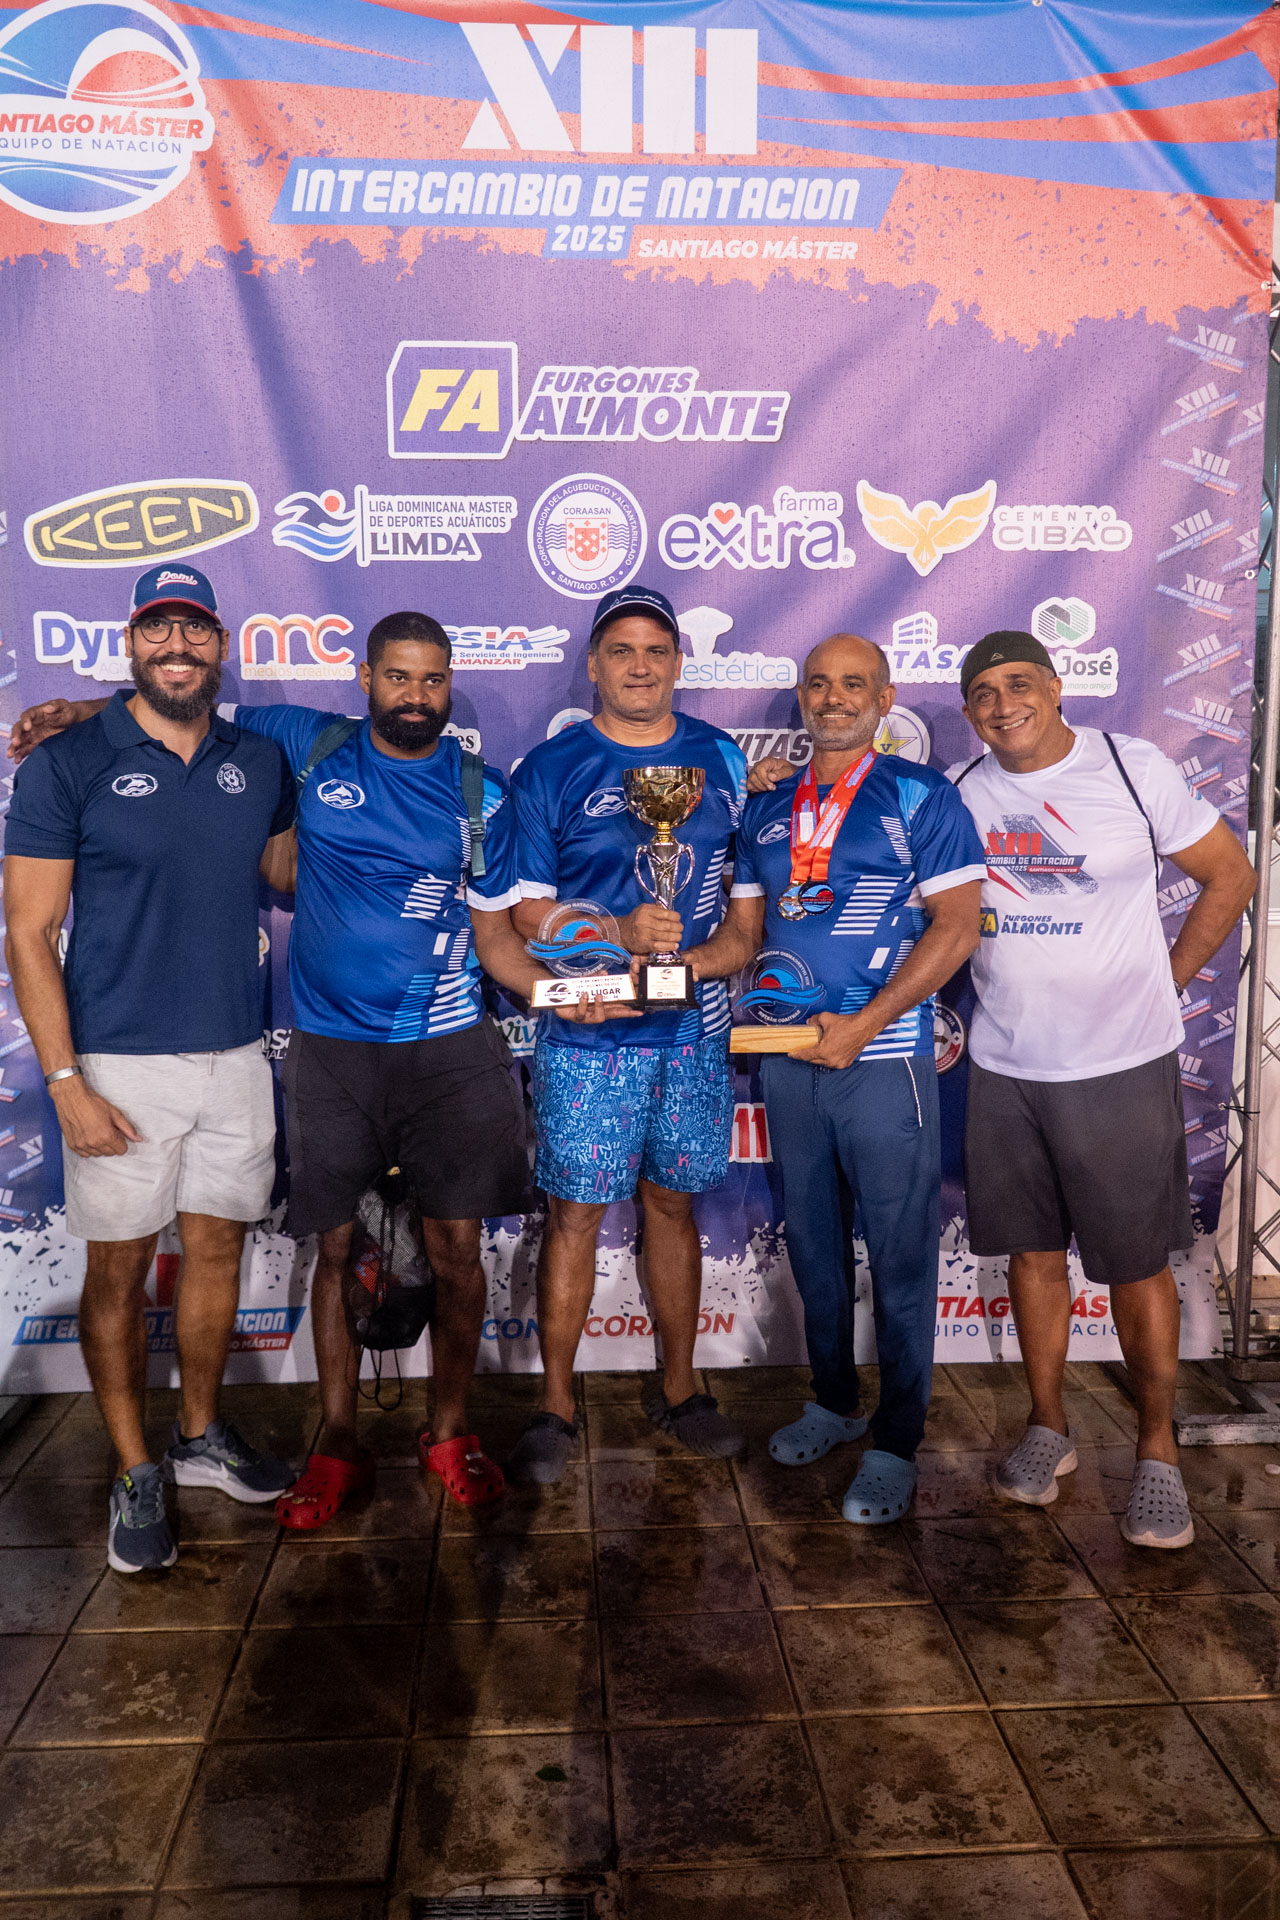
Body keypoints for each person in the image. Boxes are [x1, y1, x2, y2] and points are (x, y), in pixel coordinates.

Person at [12, 610, 571, 1527]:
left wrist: (568, 995)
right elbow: (174, 704)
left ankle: (449, 1430)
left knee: (456, 1252)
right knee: (337, 1251)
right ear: (366, 677)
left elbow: (499, 942)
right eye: (399, 676)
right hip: (330, 1048)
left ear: (450, 686)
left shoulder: (482, 789)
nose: (416, 696)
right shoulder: (306, 740)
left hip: (450, 1047)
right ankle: (337, 1441)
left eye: (433, 680)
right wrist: (76, 710)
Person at [4, 564, 298, 1573]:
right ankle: (134, 1469)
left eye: (195, 630)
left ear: (221, 646)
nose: (178, 646)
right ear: (131, 642)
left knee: (215, 1254)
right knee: (120, 1271)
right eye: (159, 629)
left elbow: (286, 871)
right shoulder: (66, 762)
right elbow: (29, 932)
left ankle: (198, 1436)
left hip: (237, 1054)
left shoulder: (258, 759)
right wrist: (65, 1082)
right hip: (116, 1065)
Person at [948, 629, 1255, 1548]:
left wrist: (1167, 979)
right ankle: (1049, 1428)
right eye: (983, 694)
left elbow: (1230, 875)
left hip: (1120, 1064)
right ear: (968, 713)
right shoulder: (961, 791)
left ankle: (1157, 1453)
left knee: (1134, 1264)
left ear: (1055, 686)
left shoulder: (1131, 766)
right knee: (1032, 1257)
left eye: (1019, 683)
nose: (1003, 705)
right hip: (1006, 1065)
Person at [692, 632, 984, 1522]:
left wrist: (863, 1025)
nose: (833, 698)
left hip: (883, 1058)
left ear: (884, 698)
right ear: (801, 697)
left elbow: (957, 927)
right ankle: (833, 1400)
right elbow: (745, 937)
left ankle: (897, 1440)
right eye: (818, 683)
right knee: (814, 1247)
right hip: (789, 1061)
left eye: (854, 684)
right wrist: (664, 966)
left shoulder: (920, 795)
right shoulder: (765, 809)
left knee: (900, 1259)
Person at [506, 585, 749, 1482]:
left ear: (678, 662)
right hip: (590, 1029)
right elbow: (525, 911)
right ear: (594, 666)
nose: (639, 666)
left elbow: (744, 914)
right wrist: (616, 932)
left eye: (655, 650)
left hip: (691, 1030)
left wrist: (688, 962)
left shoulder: (721, 758)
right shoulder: (551, 767)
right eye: (621, 650)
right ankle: (555, 1405)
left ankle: (679, 1389)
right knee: (575, 1216)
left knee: (673, 1206)